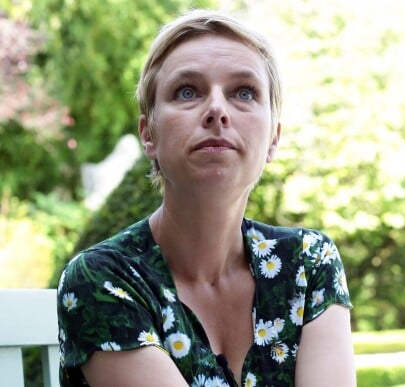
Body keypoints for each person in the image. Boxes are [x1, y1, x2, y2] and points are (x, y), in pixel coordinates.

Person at [57, 9, 355, 387]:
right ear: (149, 134)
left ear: (273, 139)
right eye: (187, 91)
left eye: (243, 92)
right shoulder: (103, 280)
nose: (217, 109)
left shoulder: (309, 265)